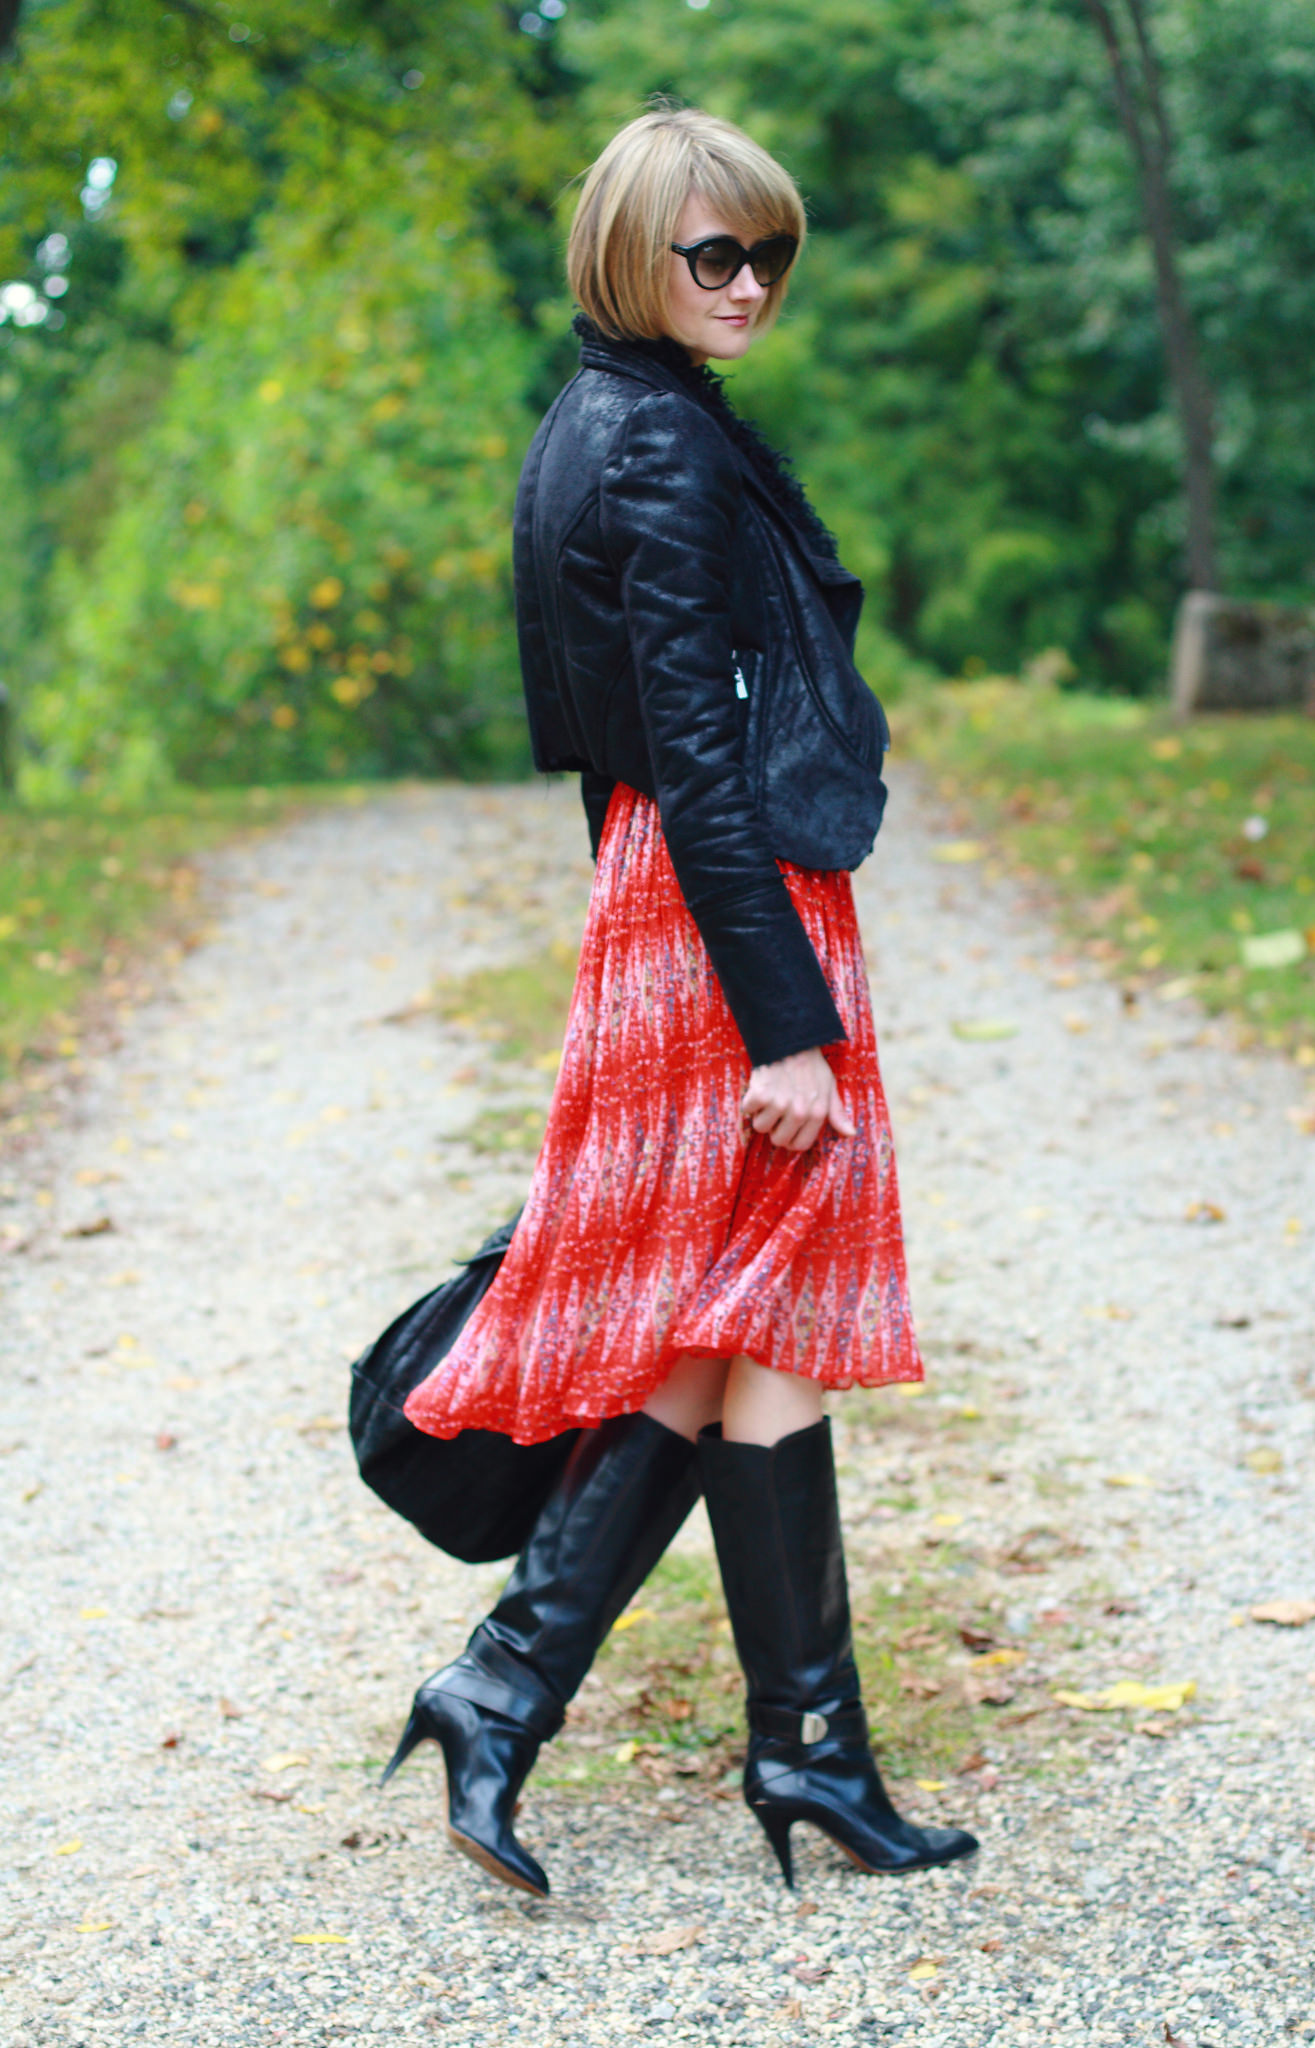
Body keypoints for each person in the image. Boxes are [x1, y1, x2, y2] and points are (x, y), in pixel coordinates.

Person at [382, 104, 977, 1896]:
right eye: (711, 254)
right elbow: (693, 760)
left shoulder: (616, 418)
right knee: (753, 1305)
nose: (747, 284)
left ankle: (533, 1692)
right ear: (630, 257)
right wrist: (780, 1016)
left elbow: (625, 756)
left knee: (729, 1325)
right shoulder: (648, 445)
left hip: (687, 911)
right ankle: (780, 1750)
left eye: (766, 254)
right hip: (726, 918)